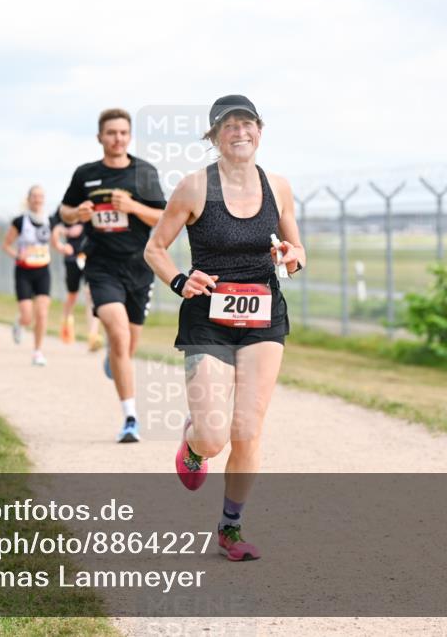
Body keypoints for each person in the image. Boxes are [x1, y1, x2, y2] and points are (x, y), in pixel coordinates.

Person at [144, 95, 305, 561]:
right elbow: (155, 248)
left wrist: (292, 256)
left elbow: (297, 251)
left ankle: (230, 528)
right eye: (229, 125)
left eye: (247, 123)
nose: (239, 132)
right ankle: (194, 443)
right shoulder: (195, 187)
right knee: (214, 436)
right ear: (214, 136)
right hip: (207, 318)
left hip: (263, 317)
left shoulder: (278, 187)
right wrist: (180, 281)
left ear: (260, 131)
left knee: (248, 429)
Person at [58, 108, 167, 443]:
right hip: (101, 266)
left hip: (139, 267)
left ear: (129, 136)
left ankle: (115, 359)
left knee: (128, 344)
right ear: (99, 137)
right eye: (111, 133)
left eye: (123, 132)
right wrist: (77, 213)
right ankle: (130, 418)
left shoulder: (144, 172)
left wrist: (133, 207)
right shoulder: (86, 174)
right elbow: (64, 210)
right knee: (118, 336)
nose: (117, 138)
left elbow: (163, 218)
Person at [3, 185, 54, 366]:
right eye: (35, 196)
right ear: (29, 199)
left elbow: (55, 241)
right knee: (27, 316)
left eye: (41, 196)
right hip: (24, 271)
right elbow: (6, 245)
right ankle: (20, 323)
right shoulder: (20, 221)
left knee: (42, 313)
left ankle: (37, 352)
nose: (38, 199)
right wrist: (17, 255)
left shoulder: (50, 220)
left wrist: (64, 247)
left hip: (43, 270)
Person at [51, 210, 102, 350]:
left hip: (90, 256)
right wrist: (62, 241)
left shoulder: (93, 203)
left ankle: (93, 335)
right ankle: (66, 323)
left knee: (91, 293)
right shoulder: (66, 206)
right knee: (72, 295)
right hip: (72, 258)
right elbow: (54, 228)